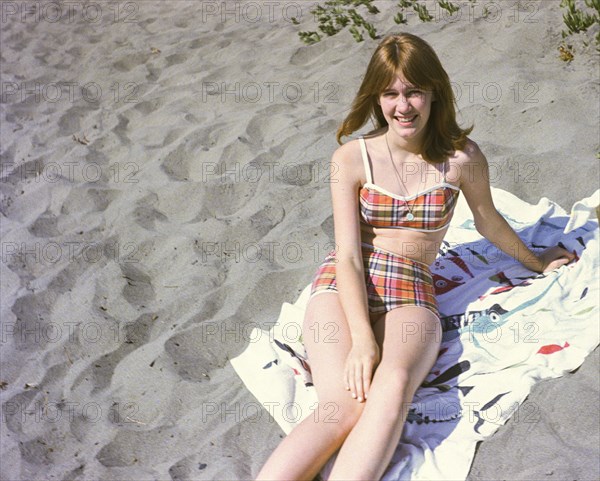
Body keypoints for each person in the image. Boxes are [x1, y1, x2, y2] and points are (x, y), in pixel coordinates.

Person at [255, 32, 575, 481]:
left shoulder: (462, 159)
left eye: (413, 91)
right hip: (346, 279)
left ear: (433, 93)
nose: (402, 106)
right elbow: (347, 255)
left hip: (410, 287)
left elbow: (488, 220)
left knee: (393, 387)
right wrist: (363, 340)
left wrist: (538, 261)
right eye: (390, 94)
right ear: (376, 98)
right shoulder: (351, 159)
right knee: (343, 404)